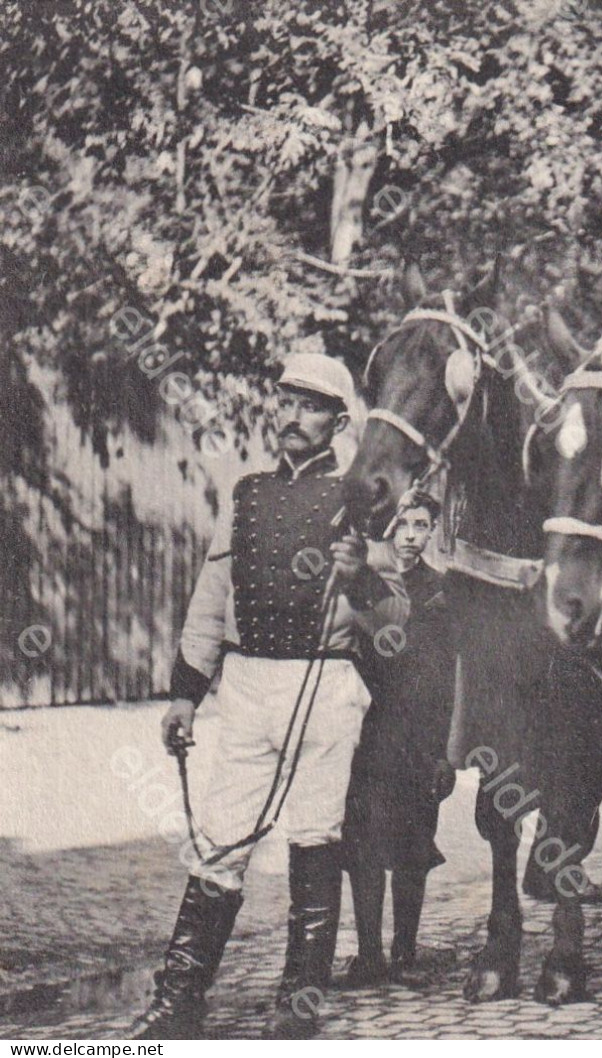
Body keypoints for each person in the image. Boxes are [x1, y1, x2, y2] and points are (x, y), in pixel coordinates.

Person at [133, 354, 408, 1039]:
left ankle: (300, 1001)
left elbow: (399, 616)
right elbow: (211, 595)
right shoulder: (248, 493)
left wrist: (363, 581)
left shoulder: (365, 499)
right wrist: (186, 694)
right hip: (248, 685)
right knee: (221, 839)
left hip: (327, 684)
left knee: (315, 837)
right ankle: (179, 1002)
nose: (291, 415)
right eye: (285, 400)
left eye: (310, 405)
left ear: (339, 422)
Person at [336, 497, 457, 988]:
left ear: (432, 532)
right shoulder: (363, 583)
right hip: (368, 729)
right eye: (401, 525)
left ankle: (405, 949)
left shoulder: (441, 592)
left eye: (421, 525)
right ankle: (369, 955)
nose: (410, 535)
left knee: (414, 843)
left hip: (420, 733)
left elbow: (449, 674)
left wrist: (446, 749)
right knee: (363, 842)